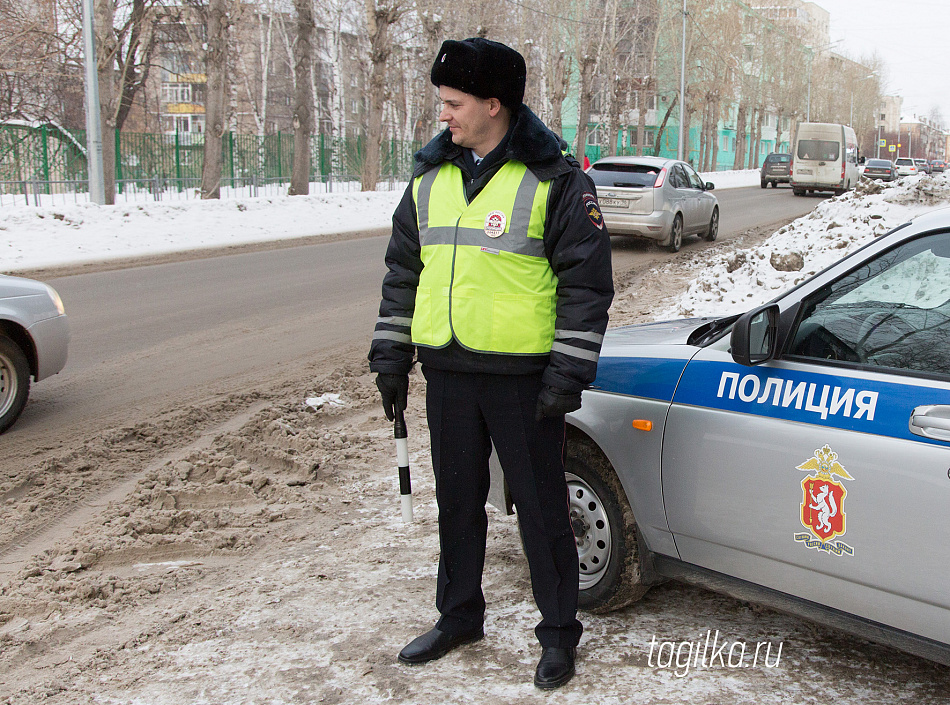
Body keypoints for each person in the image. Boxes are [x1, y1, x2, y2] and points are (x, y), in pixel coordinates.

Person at [368, 37, 613, 690]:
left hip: (524, 382)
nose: (443, 115)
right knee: (456, 503)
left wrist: (566, 377)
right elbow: (402, 272)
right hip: (446, 371)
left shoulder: (555, 181)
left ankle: (559, 632)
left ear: (494, 104)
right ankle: (459, 614)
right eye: (442, 102)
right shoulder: (428, 179)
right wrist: (392, 353)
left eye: (453, 103)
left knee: (539, 508)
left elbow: (586, 289)